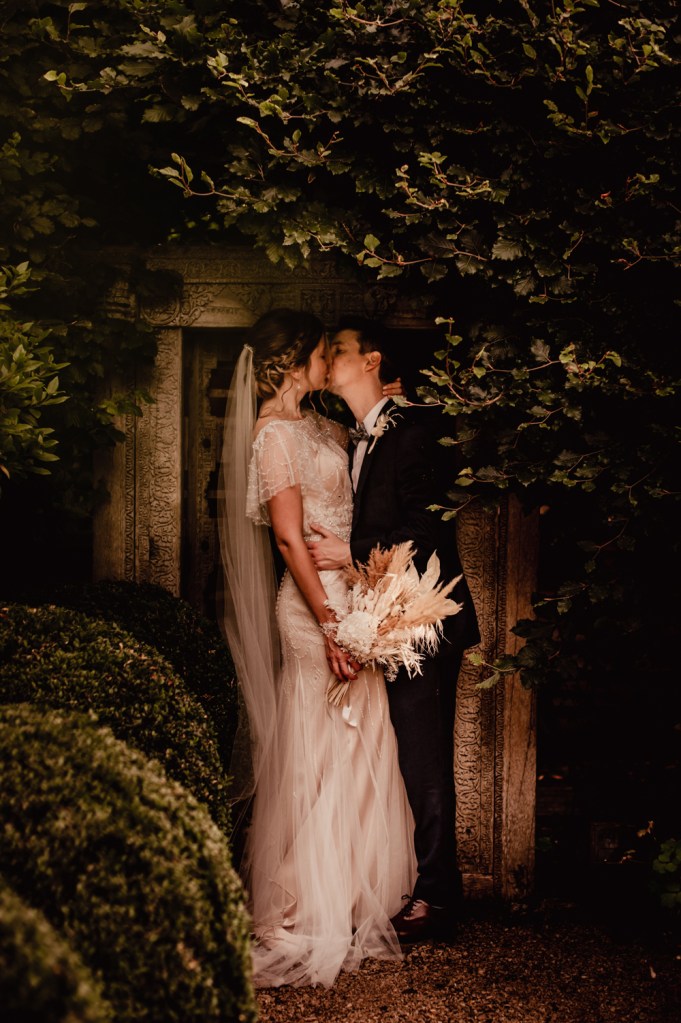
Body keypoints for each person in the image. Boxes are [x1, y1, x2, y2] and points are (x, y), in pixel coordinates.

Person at [218, 308, 416, 989]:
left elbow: (364, 467)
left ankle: (353, 889)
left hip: (354, 594)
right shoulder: (273, 435)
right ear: (293, 360)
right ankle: (297, 899)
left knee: (362, 736)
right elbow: (287, 537)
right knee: (320, 740)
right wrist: (330, 622)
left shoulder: (322, 426)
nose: (327, 362)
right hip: (312, 609)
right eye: (320, 352)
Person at [308, 316, 480, 942]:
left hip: (422, 621)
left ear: (372, 361)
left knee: (424, 760)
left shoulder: (415, 430)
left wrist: (347, 554)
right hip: (381, 619)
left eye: (338, 351)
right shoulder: (355, 436)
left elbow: (428, 530)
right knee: (406, 758)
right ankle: (419, 885)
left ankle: (438, 898)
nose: (327, 359)